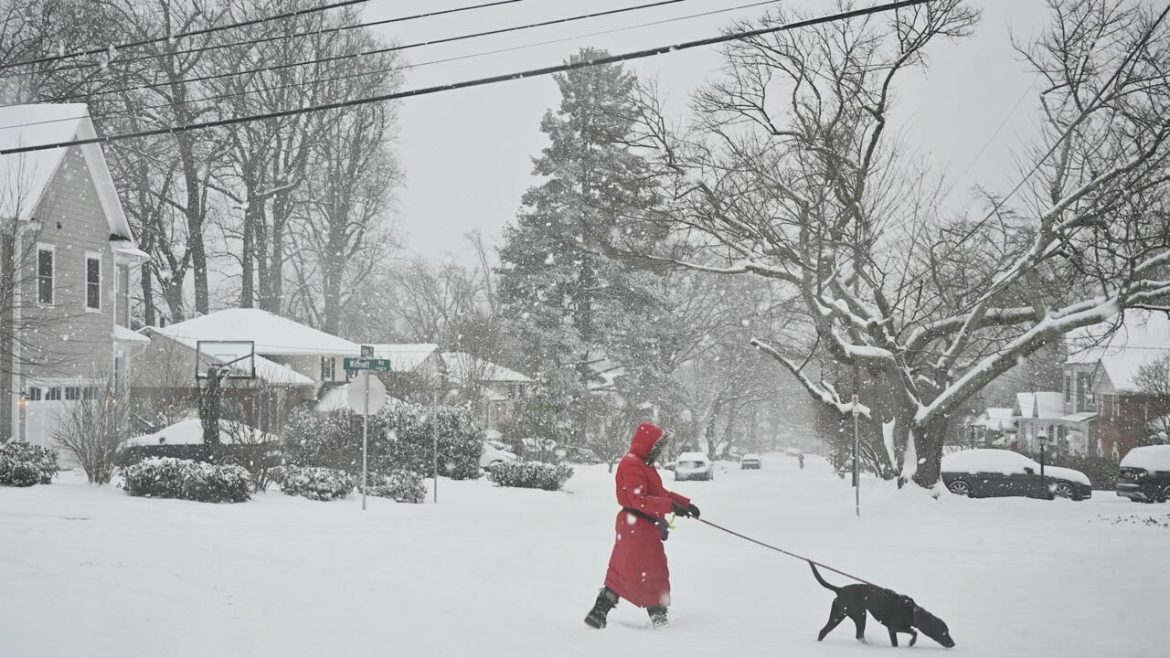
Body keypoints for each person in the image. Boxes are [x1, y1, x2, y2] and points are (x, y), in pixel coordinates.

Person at [584, 422, 700, 629]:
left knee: (638, 570)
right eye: (658, 446)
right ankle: (654, 615)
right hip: (635, 526)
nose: (660, 451)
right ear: (648, 444)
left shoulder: (643, 465)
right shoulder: (631, 464)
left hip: (643, 527)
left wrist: (685, 504)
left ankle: (601, 611)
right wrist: (671, 506)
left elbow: (659, 493)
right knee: (636, 570)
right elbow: (639, 500)